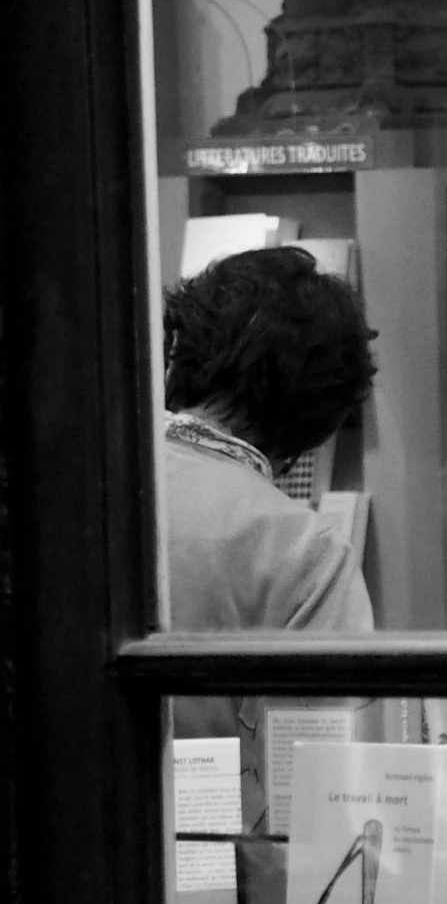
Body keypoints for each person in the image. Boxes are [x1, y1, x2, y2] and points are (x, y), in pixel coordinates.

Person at [162, 246, 378, 636]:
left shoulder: (77, 492)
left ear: (177, 354)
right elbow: (326, 699)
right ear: (325, 416)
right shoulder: (306, 554)